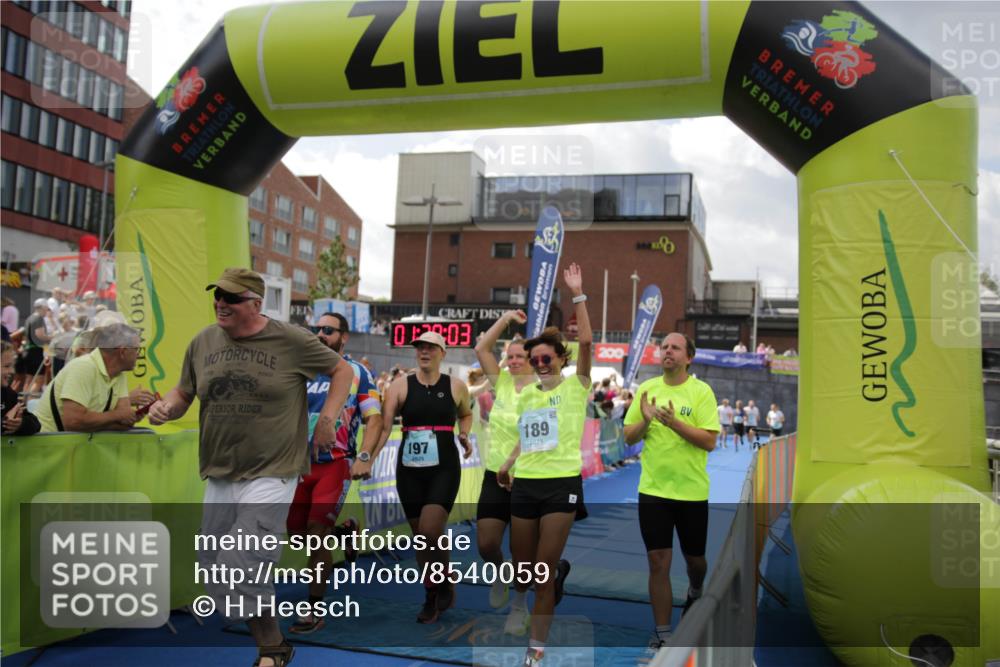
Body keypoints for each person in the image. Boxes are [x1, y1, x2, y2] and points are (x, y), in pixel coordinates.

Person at [148, 268, 353, 667]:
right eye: (217, 296)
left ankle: (271, 648)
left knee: (241, 560)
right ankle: (273, 647)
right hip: (221, 471)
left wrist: (328, 417)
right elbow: (183, 392)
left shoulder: (290, 340)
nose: (220, 303)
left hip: (273, 470)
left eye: (231, 297)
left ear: (256, 304)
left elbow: (341, 370)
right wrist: (167, 407)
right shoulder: (203, 341)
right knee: (217, 569)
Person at [497, 263, 591, 665]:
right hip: (526, 484)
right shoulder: (529, 394)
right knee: (524, 571)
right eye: (534, 359)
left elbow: (587, 339)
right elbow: (528, 436)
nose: (539, 363)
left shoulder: (577, 386)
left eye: (546, 357)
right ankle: (554, 575)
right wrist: (508, 463)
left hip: (561, 485)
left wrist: (578, 293)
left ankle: (535, 651)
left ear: (560, 358)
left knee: (539, 574)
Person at [354, 330, 473, 624]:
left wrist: (465, 434)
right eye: (419, 347)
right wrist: (367, 457)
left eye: (430, 347)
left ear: (442, 352)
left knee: (432, 530)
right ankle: (431, 593)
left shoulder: (456, 386)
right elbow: (382, 427)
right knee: (422, 538)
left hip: (444, 467)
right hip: (409, 469)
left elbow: (466, 414)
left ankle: (443, 578)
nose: (424, 351)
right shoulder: (399, 386)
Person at [623, 333, 720, 653]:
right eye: (664, 347)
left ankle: (695, 588)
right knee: (657, 562)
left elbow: (709, 441)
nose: (668, 351)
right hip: (653, 490)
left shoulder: (701, 392)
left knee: (696, 561)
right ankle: (663, 634)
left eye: (675, 348)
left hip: (691, 492)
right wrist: (646, 421)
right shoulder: (647, 390)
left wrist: (675, 423)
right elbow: (628, 436)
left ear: (688, 357)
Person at [286, 312, 382, 635]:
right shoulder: (304, 369)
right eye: (317, 330)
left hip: (336, 463)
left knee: (314, 533)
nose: (321, 335)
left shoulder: (358, 373)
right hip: (299, 465)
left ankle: (314, 609)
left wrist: (365, 456)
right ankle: (344, 531)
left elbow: (375, 419)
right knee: (296, 534)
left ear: (344, 337)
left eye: (328, 330)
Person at [474, 314, 535, 609]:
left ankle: (520, 603)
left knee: (522, 553)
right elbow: (481, 350)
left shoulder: (543, 390)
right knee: (486, 544)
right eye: (509, 356)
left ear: (532, 359)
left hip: (528, 478)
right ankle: (500, 574)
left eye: (518, 356)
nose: (512, 361)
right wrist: (506, 319)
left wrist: (512, 465)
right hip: (495, 475)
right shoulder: (503, 383)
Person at [32, 323, 141, 433]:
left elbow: (123, 421)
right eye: (136, 349)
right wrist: (116, 415)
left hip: (73, 446)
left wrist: (130, 417)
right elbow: (73, 422)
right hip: (48, 447)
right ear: (122, 351)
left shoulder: (119, 374)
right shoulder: (84, 367)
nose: (139, 355)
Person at [2, 341, 40, 435]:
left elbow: (35, 423)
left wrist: (20, 424)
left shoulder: (8, 394)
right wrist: (5, 423)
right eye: (7, 366)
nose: (12, 371)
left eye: (12, 366)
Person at [13, 299, 51, 394]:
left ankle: (25, 402)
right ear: (42, 308)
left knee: (29, 379)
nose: (47, 312)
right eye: (46, 309)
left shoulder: (30, 318)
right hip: (35, 353)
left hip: (28, 351)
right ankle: (29, 401)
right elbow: (40, 335)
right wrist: (53, 337)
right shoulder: (39, 318)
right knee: (39, 380)